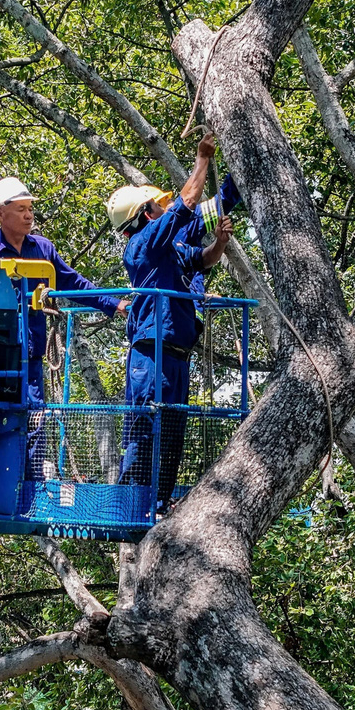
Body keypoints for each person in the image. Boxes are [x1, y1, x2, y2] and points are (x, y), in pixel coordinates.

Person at [104, 133, 239, 513]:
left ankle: (158, 503)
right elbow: (189, 201)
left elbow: (203, 258)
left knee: (172, 434)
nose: (166, 208)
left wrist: (221, 243)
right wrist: (202, 160)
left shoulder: (172, 245)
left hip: (178, 352)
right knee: (146, 429)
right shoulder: (143, 244)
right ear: (146, 215)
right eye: (159, 205)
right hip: (153, 353)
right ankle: (131, 504)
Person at [0, 177, 128, 479]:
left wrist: (114, 304)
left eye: (30, 209)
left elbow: (74, 283)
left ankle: (33, 484)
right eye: (21, 210)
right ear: (1, 214)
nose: (29, 215)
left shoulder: (42, 249)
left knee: (35, 416)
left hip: (30, 354)